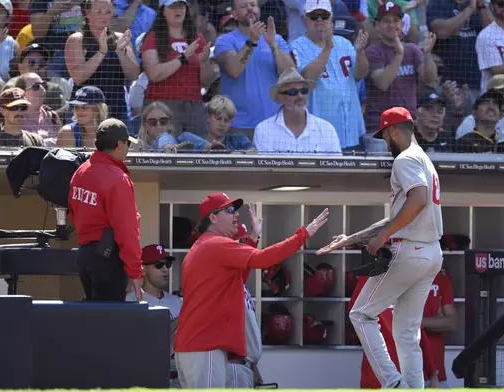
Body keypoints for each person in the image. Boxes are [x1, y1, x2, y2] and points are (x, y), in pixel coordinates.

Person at [317, 107, 443, 388]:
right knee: (407, 334)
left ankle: (392, 383)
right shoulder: (424, 160)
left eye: (385, 136)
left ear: (392, 131)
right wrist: (352, 238)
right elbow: (401, 213)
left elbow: (418, 200)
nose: (386, 142)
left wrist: (383, 235)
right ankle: (412, 387)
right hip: (431, 253)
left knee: (360, 314)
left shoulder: (405, 159)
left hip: (410, 251)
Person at [174, 192, 329, 388]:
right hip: (205, 346)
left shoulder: (204, 246)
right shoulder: (216, 244)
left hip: (195, 347)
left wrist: (253, 238)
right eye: (229, 210)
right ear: (213, 218)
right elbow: (262, 259)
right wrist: (302, 235)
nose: (236, 215)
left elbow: (238, 278)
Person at [68, 118, 144, 302]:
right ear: (119, 144)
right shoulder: (118, 178)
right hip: (107, 257)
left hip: (85, 256)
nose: (127, 148)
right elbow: (127, 229)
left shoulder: (81, 171)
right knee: (107, 325)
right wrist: (134, 271)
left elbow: (72, 212)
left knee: (94, 322)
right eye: (127, 143)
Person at [349, 275, 440, 389]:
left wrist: (432, 373)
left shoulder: (407, 281)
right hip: (378, 377)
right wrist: (432, 373)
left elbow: (419, 335)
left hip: (395, 376)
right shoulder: (371, 280)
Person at [125, 243, 183, 387]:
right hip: (145, 374)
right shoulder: (132, 300)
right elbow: (141, 339)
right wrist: (178, 322)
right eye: (158, 265)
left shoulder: (176, 301)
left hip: (177, 374)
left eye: (167, 264)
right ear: (143, 269)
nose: (165, 269)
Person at [226, 222, 264, 388]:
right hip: (234, 367)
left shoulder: (238, 280)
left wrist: (253, 366)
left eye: (244, 243)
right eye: (239, 243)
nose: (242, 248)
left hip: (244, 366)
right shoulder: (225, 282)